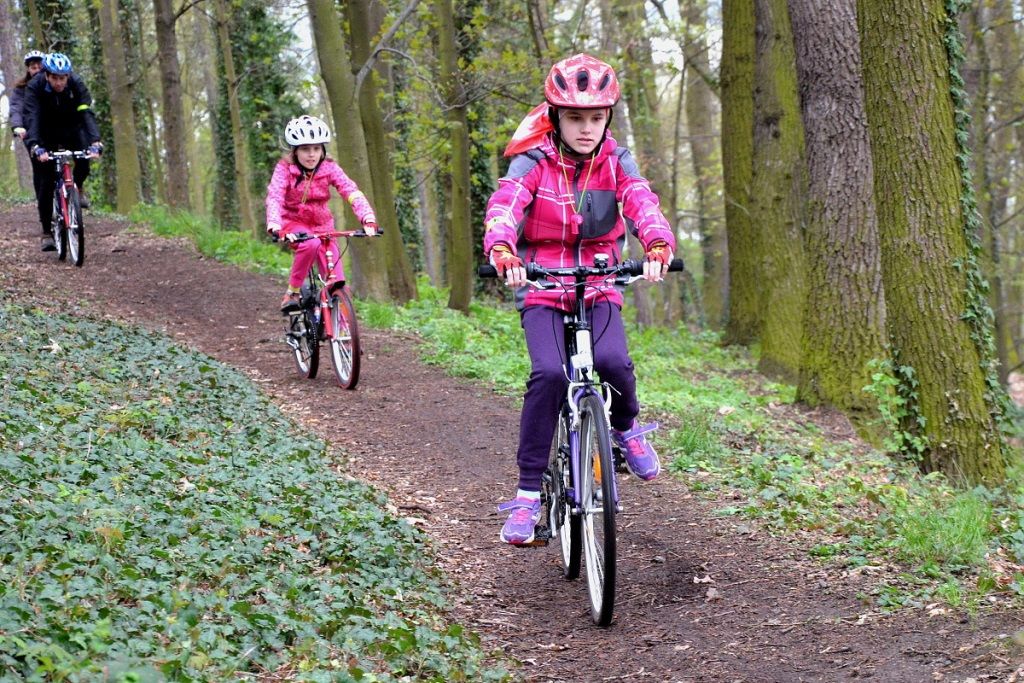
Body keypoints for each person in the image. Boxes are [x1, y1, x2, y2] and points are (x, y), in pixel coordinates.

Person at [483, 54, 677, 545]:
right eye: (575, 117)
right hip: (543, 283)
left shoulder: (617, 159)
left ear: (607, 117)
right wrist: (503, 249)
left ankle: (626, 429)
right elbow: (506, 204)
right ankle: (528, 495)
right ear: (555, 117)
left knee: (614, 361)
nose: (586, 128)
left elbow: (641, 200)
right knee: (549, 375)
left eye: (596, 117)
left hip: (599, 278)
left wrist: (657, 244)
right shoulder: (532, 161)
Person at [265, 114, 378, 313]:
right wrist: (274, 224)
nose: (312, 154)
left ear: (322, 149)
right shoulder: (285, 169)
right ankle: (292, 292)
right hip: (292, 222)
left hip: (323, 224)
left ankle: (342, 332)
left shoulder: (329, 168)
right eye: (305, 149)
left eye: (316, 148)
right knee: (310, 243)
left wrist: (367, 217)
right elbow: (275, 196)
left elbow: (350, 190)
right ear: (295, 151)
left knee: (337, 281)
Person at [22, 52, 103, 251]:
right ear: (47, 75)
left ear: (68, 76)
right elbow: (31, 117)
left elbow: (86, 112)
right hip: (45, 132)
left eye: (63, 78)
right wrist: (35, 145)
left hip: (71, 128)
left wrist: (95, 141)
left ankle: (78, 188)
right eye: (55, 78)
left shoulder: (76, 83)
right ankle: (46, 233)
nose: (59, 83)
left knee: (84, 160)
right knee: (46, 182)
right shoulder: (35, 87)